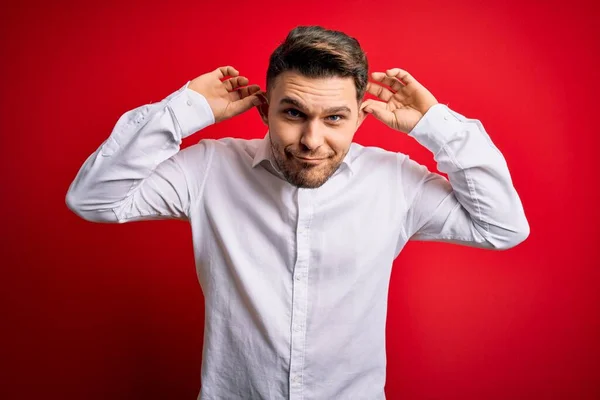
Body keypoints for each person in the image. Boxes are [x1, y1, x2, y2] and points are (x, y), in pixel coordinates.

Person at [66, 25, 529, 400]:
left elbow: (503, 227)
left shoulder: (394, 182)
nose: (311, 141)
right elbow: (93, 198)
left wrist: (435, 126)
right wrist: (183, 110)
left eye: (334, 118)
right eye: (293, 113)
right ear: (265, 110)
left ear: (360, 118)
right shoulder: (210, 168)